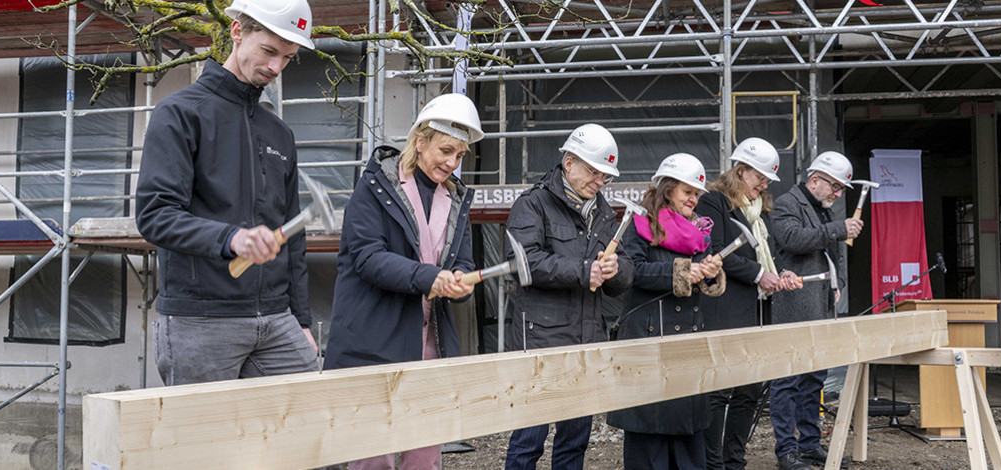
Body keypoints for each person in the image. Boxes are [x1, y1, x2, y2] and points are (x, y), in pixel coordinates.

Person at [135, 0, 318, 387]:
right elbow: (156, 215)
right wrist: (232, 238)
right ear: (237, 32)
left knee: (305, 428)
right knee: (205, 444)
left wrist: (301, 320)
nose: (276, 67)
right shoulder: (181, 114)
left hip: (275, 318)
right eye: (269, 51)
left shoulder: (279, 133)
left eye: (288, 57)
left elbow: (293, 241)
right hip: (201, 319)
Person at [324, 93, 481, 470]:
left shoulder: (456, 200)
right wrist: (432, 278)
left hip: (429, 342)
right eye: (445, 150)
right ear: (420, 141)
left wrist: (461, 283)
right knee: (370, 458)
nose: (451, 163)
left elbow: (462, 262)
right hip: (371, 342)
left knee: (425, 458)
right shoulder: (373, 189)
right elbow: (368, 259)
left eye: (460, 156)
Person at [503, 123, 636, 470]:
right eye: (594, 171)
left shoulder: (604, 212)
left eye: (606, 175)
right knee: (528, 440)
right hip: (541, 342)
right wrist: (583, 269)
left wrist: (615, 271)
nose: (600, 181)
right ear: (569, 162)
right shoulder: (532, 204)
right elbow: (522, 262)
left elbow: (625, 271)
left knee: (574, 442)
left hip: (586, 341)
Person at [607, 153, 726, 470]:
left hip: (687, 343)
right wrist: (683, 272)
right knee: (650, 443)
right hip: (649, 343)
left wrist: (711, 271)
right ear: (668, 188)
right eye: (688, 191)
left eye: (696, 194)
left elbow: (706, 282)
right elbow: (632, 272)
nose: (694, 199)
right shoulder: (639, 224)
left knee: (688, 441)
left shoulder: (699, 232)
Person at [696, 138, 801, 470]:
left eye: (768, 180)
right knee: (719, 391)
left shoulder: (761, 211)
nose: (764, 185)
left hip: (758, 311)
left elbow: (770, 252)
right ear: (740, 171)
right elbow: (715, 252)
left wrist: (779, 272)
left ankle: (734, 460)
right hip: (725, 309)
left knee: (750, 391)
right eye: (760, 177)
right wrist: (759, 274)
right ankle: (713, 463)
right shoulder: (713, 202)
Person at [769, 151, 862, 470]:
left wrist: (840, 284)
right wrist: (838, 229)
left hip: (821, 303)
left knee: (814, 377)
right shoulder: (787, 204)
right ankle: (786, 450)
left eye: (841, 190)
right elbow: (792, 239)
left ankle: (808, 445)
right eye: (835, 187)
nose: (837, 194)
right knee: (788, 378)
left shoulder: (823, 210)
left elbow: (836, 253)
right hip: (794, 306)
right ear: (815, 179)